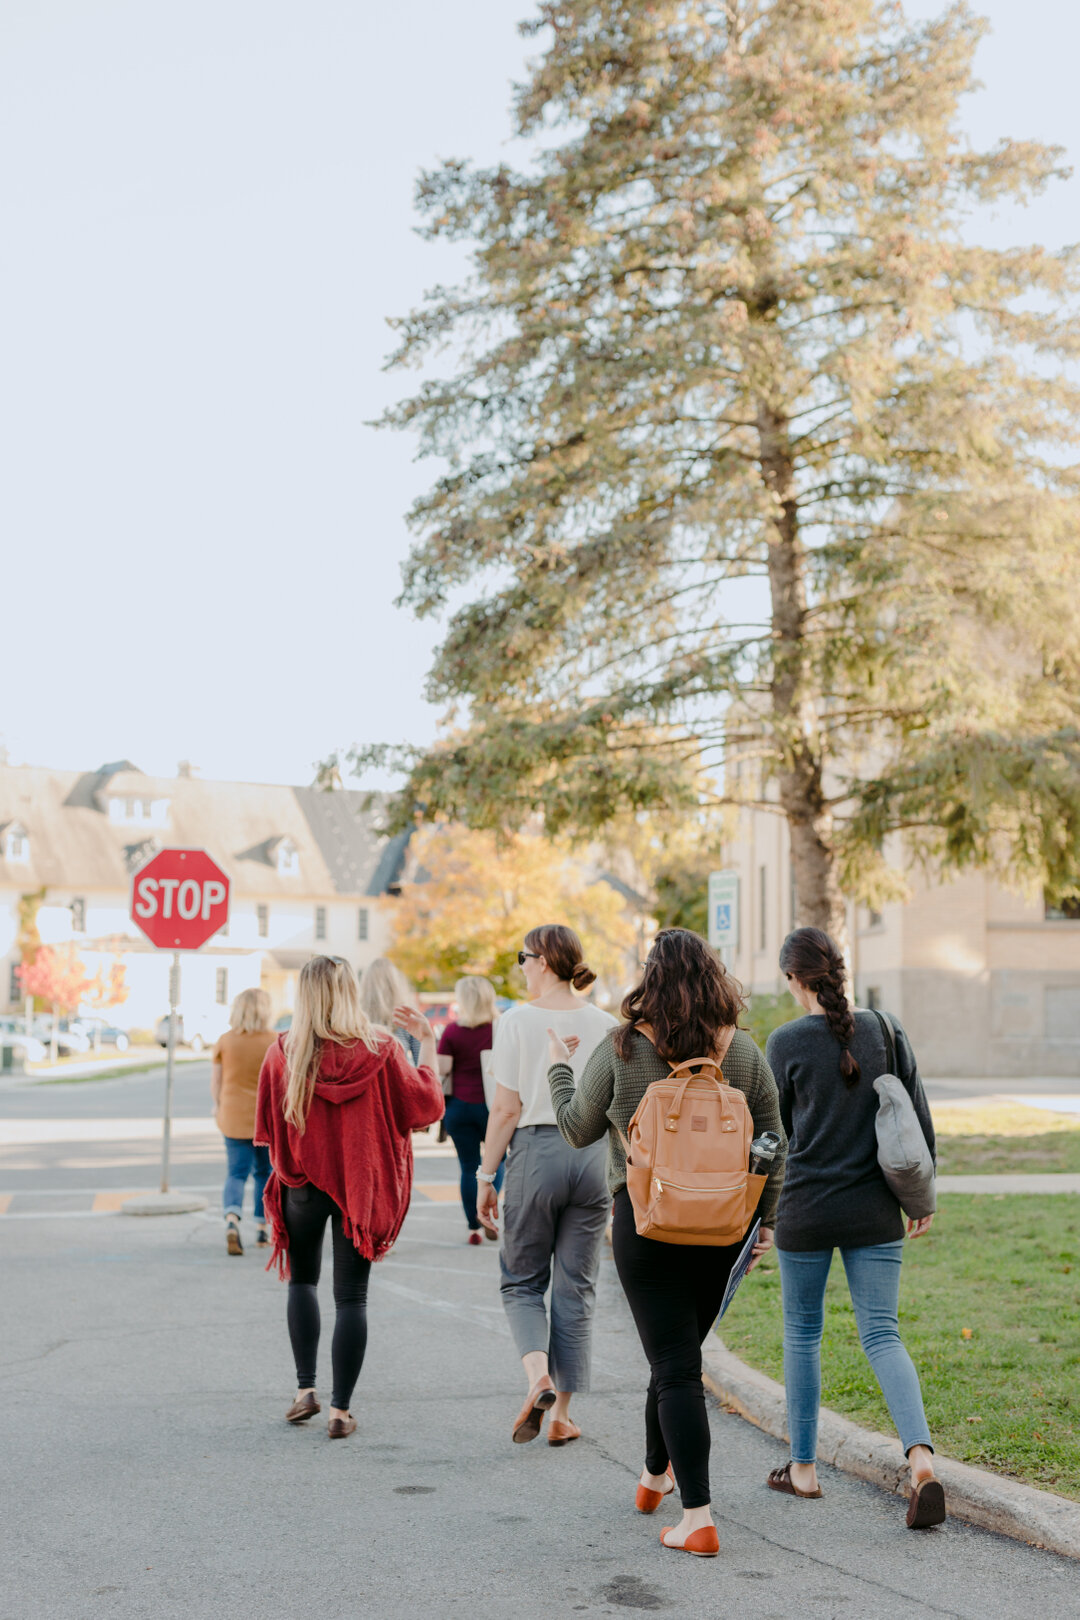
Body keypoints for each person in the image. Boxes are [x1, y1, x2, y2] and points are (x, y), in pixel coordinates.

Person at [548, 927, 785, 1558]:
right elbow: (773, 1141)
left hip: (645, 1224)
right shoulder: (741, 1050)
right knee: (675, 1354)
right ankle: (656, 1473)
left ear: (650, 978)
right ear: (713, 977)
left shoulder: (622, 1047)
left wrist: (558, 1069)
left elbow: (575, 1130)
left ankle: (698, 1518)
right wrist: (765, 1221)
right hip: (724, 1227)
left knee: (675, 1364)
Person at [765, 926, 944, 1530]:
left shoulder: (784, 1042)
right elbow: (916, 1117)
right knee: (882, 1333)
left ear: (794, 978)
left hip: (805, 1211)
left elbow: (773, 1137)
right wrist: (922, 1196)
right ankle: (920, 1461)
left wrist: (758, 1212)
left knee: (802, 1334)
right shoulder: (886, 1030)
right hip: (875, 1211)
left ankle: (804, 1471)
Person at [255, 955, 443, 1438]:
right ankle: (340, 1412)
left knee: (302, 1282)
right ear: (349, 992)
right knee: (352, 1298)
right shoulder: (381, 1048)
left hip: (302, 1183)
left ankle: (304, 1391)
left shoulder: (284, 1051)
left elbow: (269, 1129)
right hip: (360, 1187)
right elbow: (423, 1106)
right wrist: (427, 1042)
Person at [475, 924, 617, 1448]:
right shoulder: (607, 1023)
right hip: (594, 1157)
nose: (520, 967)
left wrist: (486, 1176)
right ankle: (561, 1418)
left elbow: (506, 1108)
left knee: (521, 1279)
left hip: (537, 1151)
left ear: (544, 962)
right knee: (576, 1287)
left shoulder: (515, 1022)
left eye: (522, 958)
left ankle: (539, 1379)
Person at [211, 987, 277, 1257]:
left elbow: (217, 1082)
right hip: (267, 1119)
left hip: (233, 1116)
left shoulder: (225, 1041)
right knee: (265, 1173)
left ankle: (231, 1220)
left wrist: (217, 1107)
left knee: (236, 1173)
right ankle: (262, 1228)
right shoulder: (275, 1040)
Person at [437, 975, 504, 1245]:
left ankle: (473, 1227)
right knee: (497, 1162)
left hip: (458, 1108)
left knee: (467, 1167)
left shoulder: (452, 1031)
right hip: (492, 1108)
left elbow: (441, 1070)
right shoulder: (500, 1029)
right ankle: (488, 1207)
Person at [358, 957, 421, 1061]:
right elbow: (421, 1063)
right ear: (395, 984)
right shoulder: (407, 1017)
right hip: (401, 1076)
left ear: (365, 984)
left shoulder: (357, 1018)